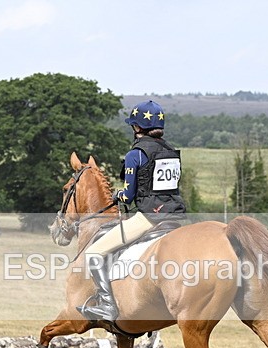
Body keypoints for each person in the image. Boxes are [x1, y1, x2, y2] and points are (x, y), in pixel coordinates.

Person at [77, 100, 186, 321]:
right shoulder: (171, 152)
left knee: (93, 253)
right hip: (175, 217)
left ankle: (107, 304)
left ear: (136, 127)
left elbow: (128, 196)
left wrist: (118, 195)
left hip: (149, 218)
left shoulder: (135, 154)